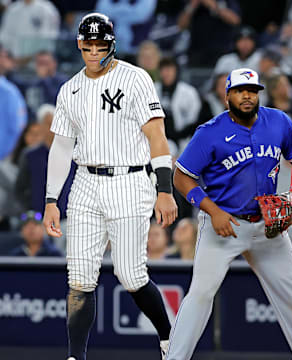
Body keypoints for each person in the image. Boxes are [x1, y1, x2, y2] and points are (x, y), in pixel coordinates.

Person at [165, 68, 292, 360]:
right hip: (223, 225)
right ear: (227, 96)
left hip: (267, 227)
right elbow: (182, 177)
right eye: (240, 90)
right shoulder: (209, 132)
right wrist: (212, 211)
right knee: (201, 294)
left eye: (252, 90)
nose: (247, 96)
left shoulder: (278, 121)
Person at [42, 13, 178, 360]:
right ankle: (75, 356)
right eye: (87, 46)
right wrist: (51, 199)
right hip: (86, 180)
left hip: (131, 180)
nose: (93, 52)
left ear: (111, 44)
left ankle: (168, 339)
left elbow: (156, 136)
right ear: (79, 45)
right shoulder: (69, 88)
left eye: (99, 45)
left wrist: (165, 189)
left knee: (131, 275)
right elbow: (60, 147)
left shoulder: (135, 78)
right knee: (80, 278)